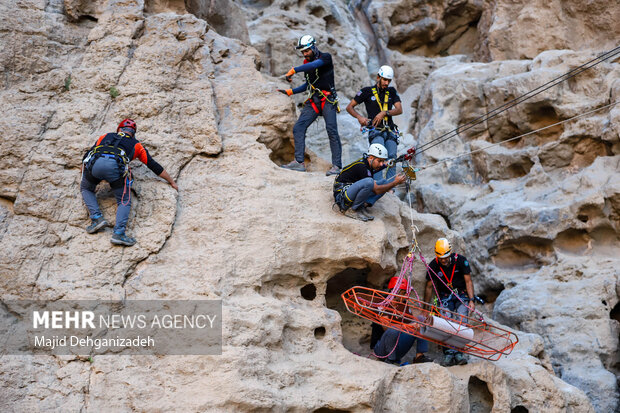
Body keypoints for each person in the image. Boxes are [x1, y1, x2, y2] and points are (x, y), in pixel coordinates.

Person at [80, 118, 178, 246]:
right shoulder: (136, 144)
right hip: (115, 169)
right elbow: (153, 165)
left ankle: (97, 218)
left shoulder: (105, 136)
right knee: (123, 200)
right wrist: (172, 182)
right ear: (133, 133)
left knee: (86, 188)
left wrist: (85, 175)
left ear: (119, 130)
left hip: (95, 166)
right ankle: (119, 234)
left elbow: (87, 156)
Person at [277, 34, 342, 176]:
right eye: (303, 52)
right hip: (315, 100)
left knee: (332, 131)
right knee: (299, 127)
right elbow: (309, 84)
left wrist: (294, 70)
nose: (305, 54)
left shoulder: (325, 58)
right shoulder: (306, 63)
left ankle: (337, 166)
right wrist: (290, 91)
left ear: (313, 47)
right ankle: (299, 162)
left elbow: (316, 65)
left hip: (328, 99)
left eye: (307, 51)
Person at [423, 238, 476, 366]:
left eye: (446, 257)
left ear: (450, 253)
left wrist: (471, 300)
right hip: (444, 297)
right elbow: (429, 287)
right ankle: (448, 353)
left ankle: (459, 353)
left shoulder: (461, 261)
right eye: (441, 258)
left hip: (461, 295)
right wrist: (426, 308)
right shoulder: (433, 265)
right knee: (446, 323)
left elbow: (468, 281)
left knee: (461, 322)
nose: (444, 260)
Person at [346, 65, 403, 180]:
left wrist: (384, 113)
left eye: (389, 81)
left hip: (390, 129)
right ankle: (377, 184)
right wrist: (359, 117)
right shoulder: (367, 91)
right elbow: (349, 107)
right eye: (384, 80)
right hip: (375, 129)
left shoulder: (391, 91)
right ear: (378, 77)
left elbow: (399, 109)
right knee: (378, 156)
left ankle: (390, 188)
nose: (386, 83)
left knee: (392, 157)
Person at [333, 143, 405, 222]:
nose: (381, 164)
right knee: (370, 182)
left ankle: (361, 206)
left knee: (384, 182)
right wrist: (395, 183)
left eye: (383, 161)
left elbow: (377, 168)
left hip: (349, 192)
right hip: (342, 197)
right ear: (371, 158)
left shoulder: (367, 163)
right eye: (379, 161)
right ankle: (352, 210)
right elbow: (376, 190)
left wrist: (388, 164)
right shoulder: (362, 167)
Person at [372, 276, 432, 365]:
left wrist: (419, 324)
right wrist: (410, 326)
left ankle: (419, 357)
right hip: (382, 348)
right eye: (403, 293)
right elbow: (387, 328)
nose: (405, 296)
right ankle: (391, 360)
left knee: (421, 322)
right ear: (395, 291)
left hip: (398, 345)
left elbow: (411, 321)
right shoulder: (382, 303)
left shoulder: (404, 305)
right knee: (393, 330)